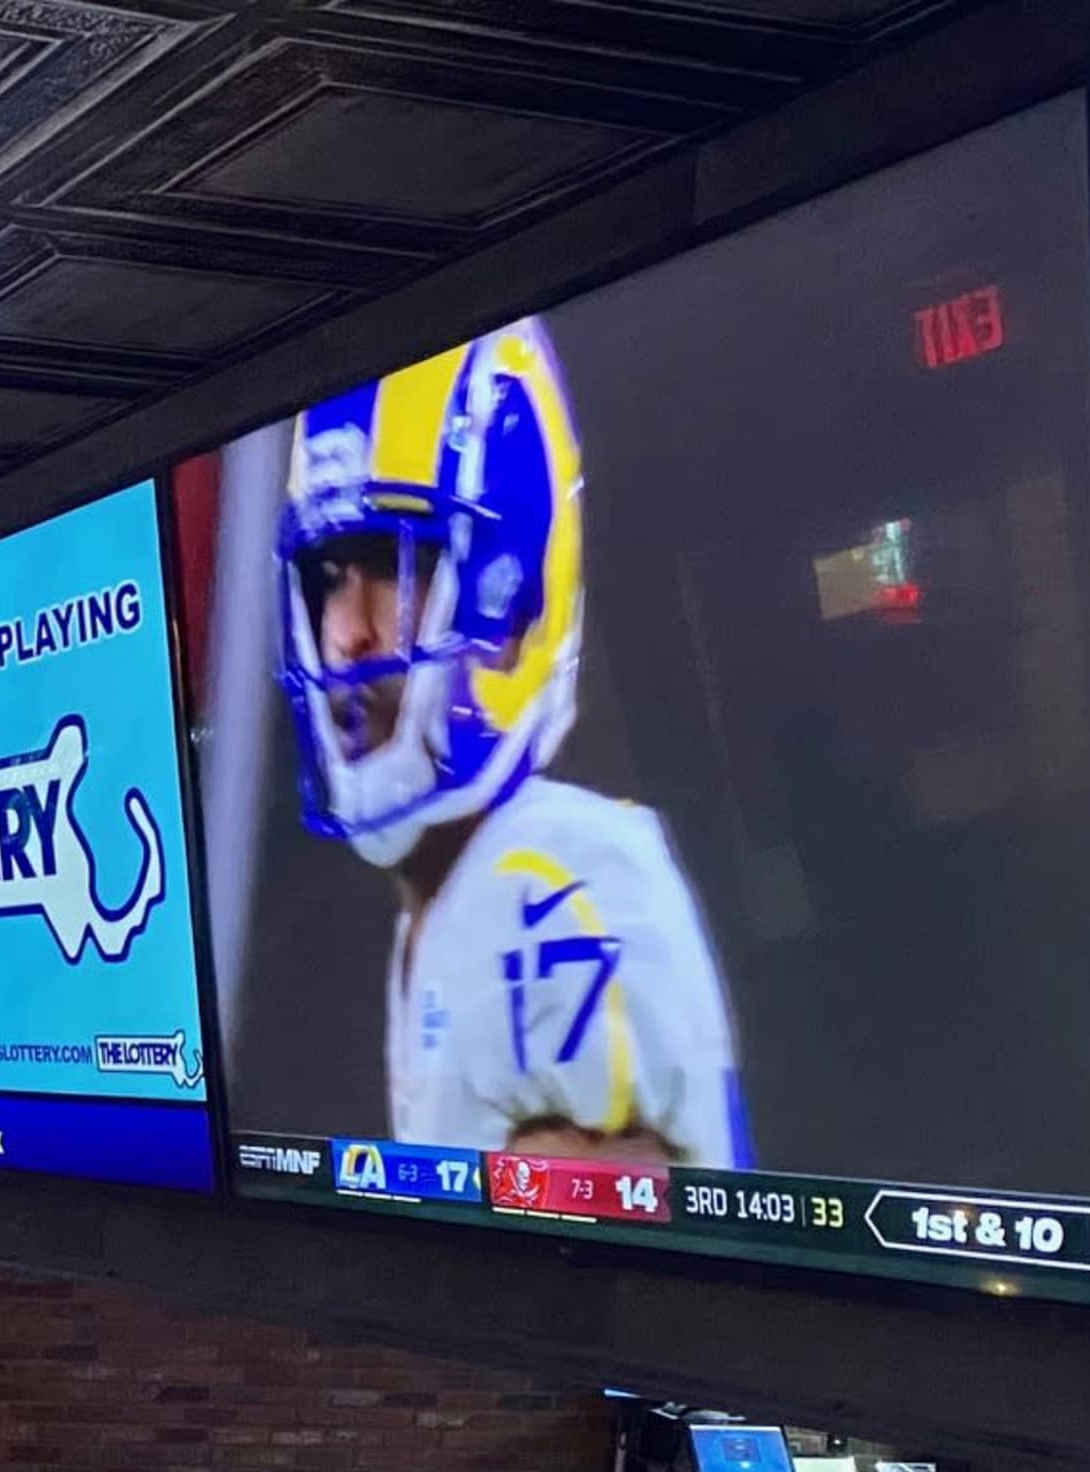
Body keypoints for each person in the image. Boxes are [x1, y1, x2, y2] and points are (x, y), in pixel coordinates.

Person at [277, 318, 744, 1168]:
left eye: (388, 565)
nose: (344, 635)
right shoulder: (447, 890)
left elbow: (625, 1282)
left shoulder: (552, 879)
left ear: (512, 598)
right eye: (326, 578)